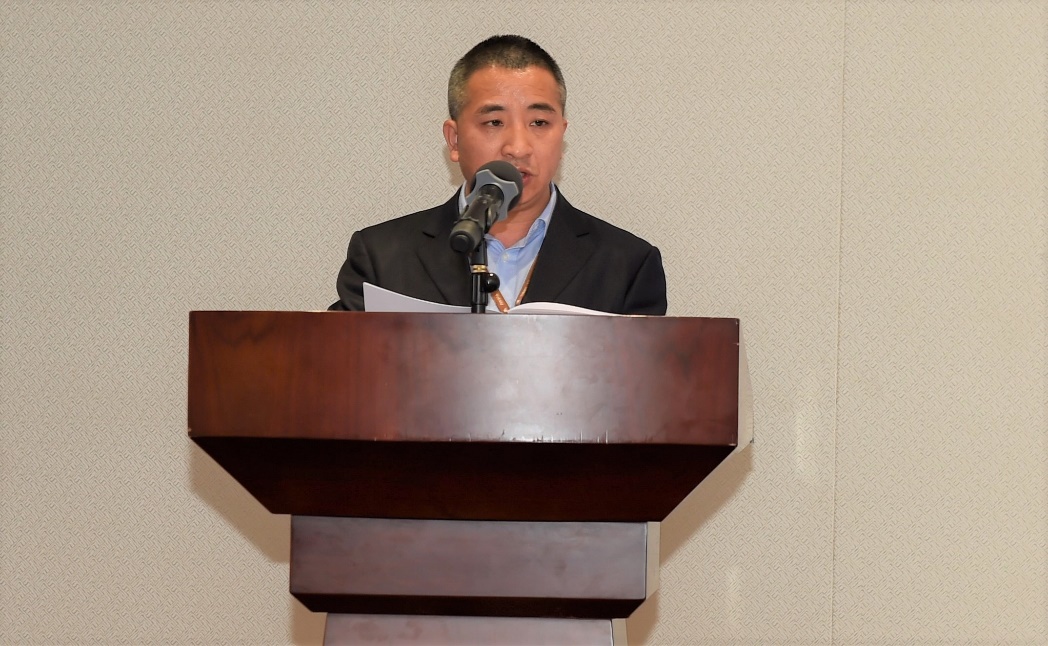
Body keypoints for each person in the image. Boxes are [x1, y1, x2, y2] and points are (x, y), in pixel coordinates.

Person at [329, 35, 667, 315]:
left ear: (561, 136)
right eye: (494, 122)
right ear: (455, 140)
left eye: (539, 123)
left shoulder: (628, 265)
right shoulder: (381, 257)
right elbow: (337, 367)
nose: (518, 147)